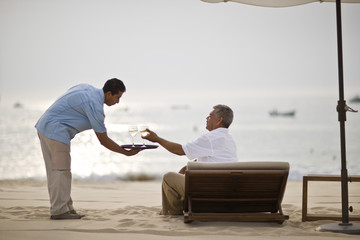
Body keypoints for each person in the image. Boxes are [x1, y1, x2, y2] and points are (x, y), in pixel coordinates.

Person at [35, 78, 142, 220]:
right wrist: (126, 152)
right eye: (118, 97)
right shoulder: (95, 106)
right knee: (60, 171)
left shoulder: (87, 89)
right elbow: (103, 140)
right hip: (55, 130)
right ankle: (59, 211)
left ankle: (66, 207)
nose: (118, 102)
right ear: (109, 94)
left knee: (60, 171)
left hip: (47, 126)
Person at [142, 104, 238, 215]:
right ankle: (175, 208)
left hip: (208, 191)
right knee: (184, 171)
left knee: (168, 177)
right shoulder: (230, 140)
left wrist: (157, 139)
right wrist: (188, 166)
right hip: (225, 191)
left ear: (219, 120)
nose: (206, 118)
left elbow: (179, 150)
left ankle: (173, 212)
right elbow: (217, 160)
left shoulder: (210, 138)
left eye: (210, 116)